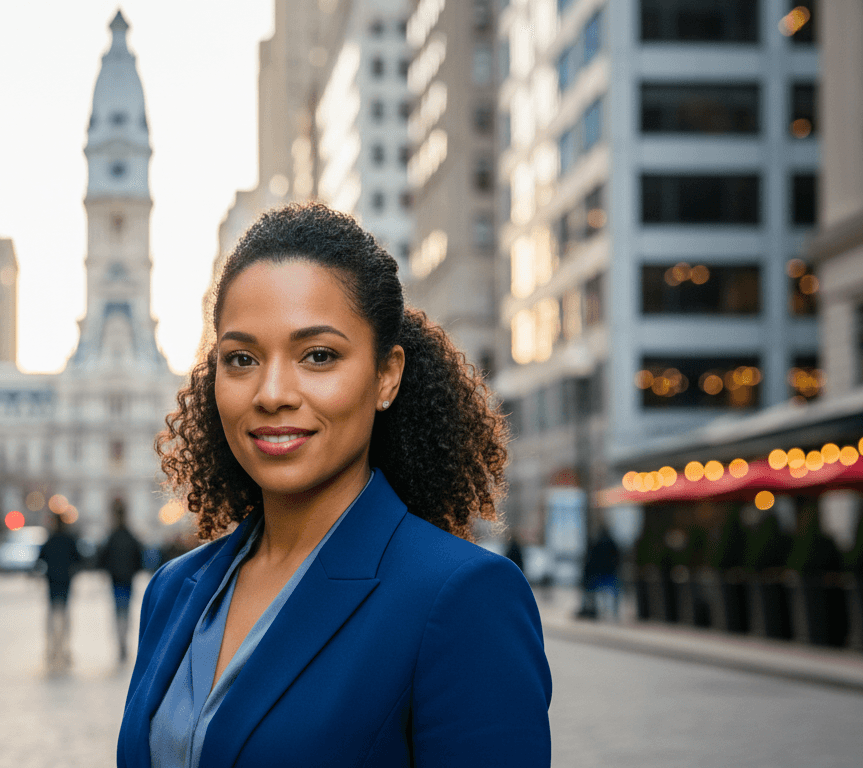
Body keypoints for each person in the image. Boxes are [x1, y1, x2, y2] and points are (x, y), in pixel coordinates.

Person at [120, 204, 551, 767]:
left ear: (387, 376)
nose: (271, 392)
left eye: (318, 356)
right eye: (242, 358)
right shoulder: (174, 590)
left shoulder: (463, 598)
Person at [99, 499, 146, 662]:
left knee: (118, 612)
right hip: (127, 580)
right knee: (126, 612)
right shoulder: (130, 536)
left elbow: (102, 558)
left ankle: (120, 643)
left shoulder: (111, 537)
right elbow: (140, 558)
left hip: (116, 580)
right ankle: (124, 642)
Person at [38, 512, 80, 671]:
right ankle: (64, 648)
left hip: (52, 583)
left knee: (52, 616)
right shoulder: (69, 540)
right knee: (64, 617)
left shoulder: (50, 540)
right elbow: (78, 559)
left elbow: (40, 558)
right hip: (65, 583)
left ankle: (52, 648)